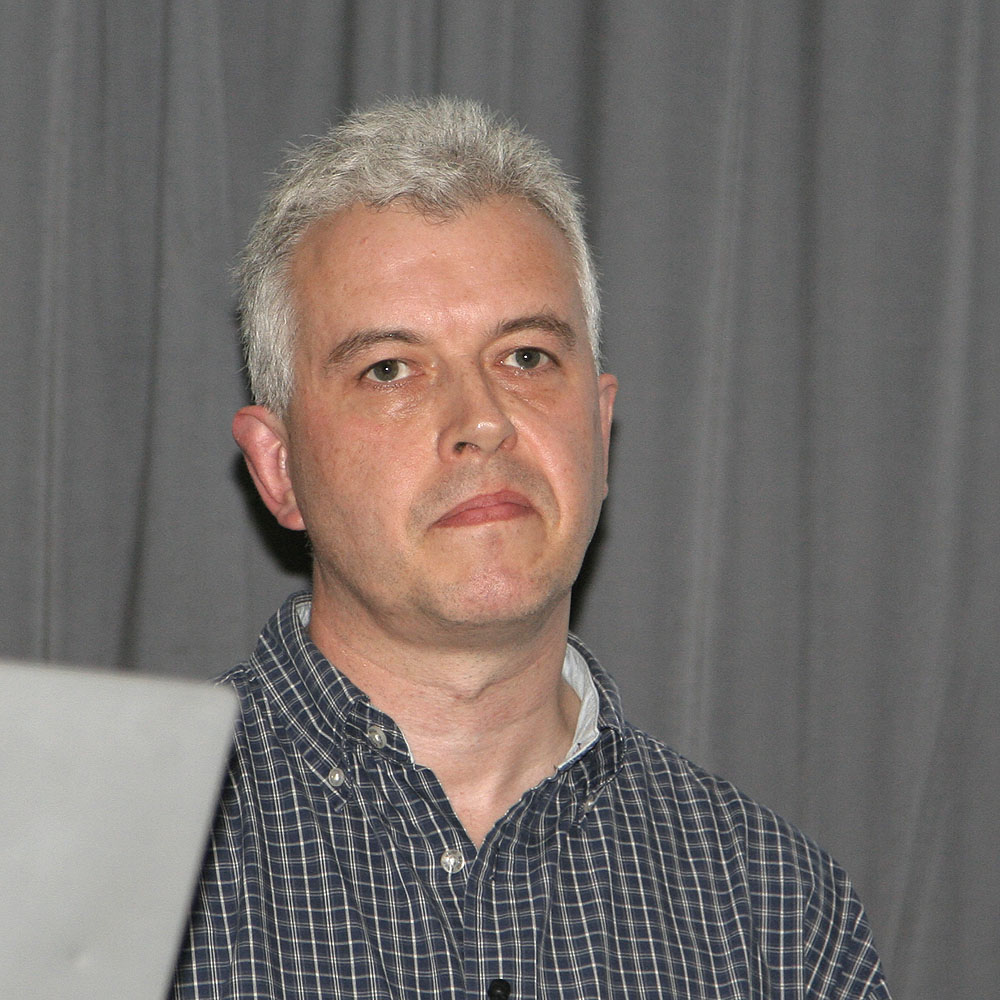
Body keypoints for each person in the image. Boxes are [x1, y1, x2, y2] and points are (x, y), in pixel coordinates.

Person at [172, 96, 890, 999]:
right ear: (278, 469)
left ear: (600, 429)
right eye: (390, 369)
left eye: (525, 357)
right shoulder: (108, 847)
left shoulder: (775, 911)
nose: (481, 421)